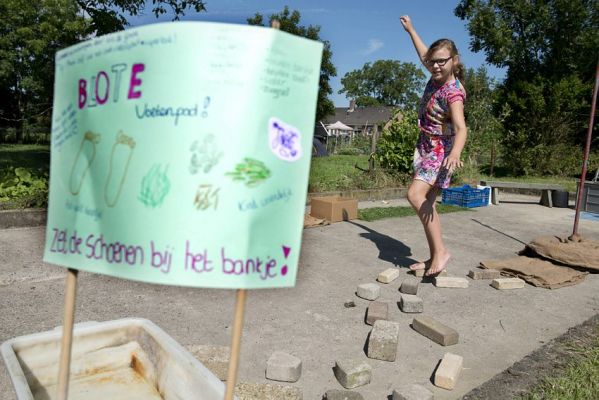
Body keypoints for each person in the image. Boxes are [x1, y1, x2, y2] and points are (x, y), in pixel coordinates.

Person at [399, 15, 467, 276]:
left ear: (455, 61)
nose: (436, 66)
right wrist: (411, 30)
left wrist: (456, 152)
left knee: (415, 195)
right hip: (426, 145)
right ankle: (433, 257)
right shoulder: (435, 76)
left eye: (443, 61)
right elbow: (423, 54)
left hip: (441, 150)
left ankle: (441, 253)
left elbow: (461, 127)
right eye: (434, 61)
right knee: (428, 203)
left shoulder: (453, 92)